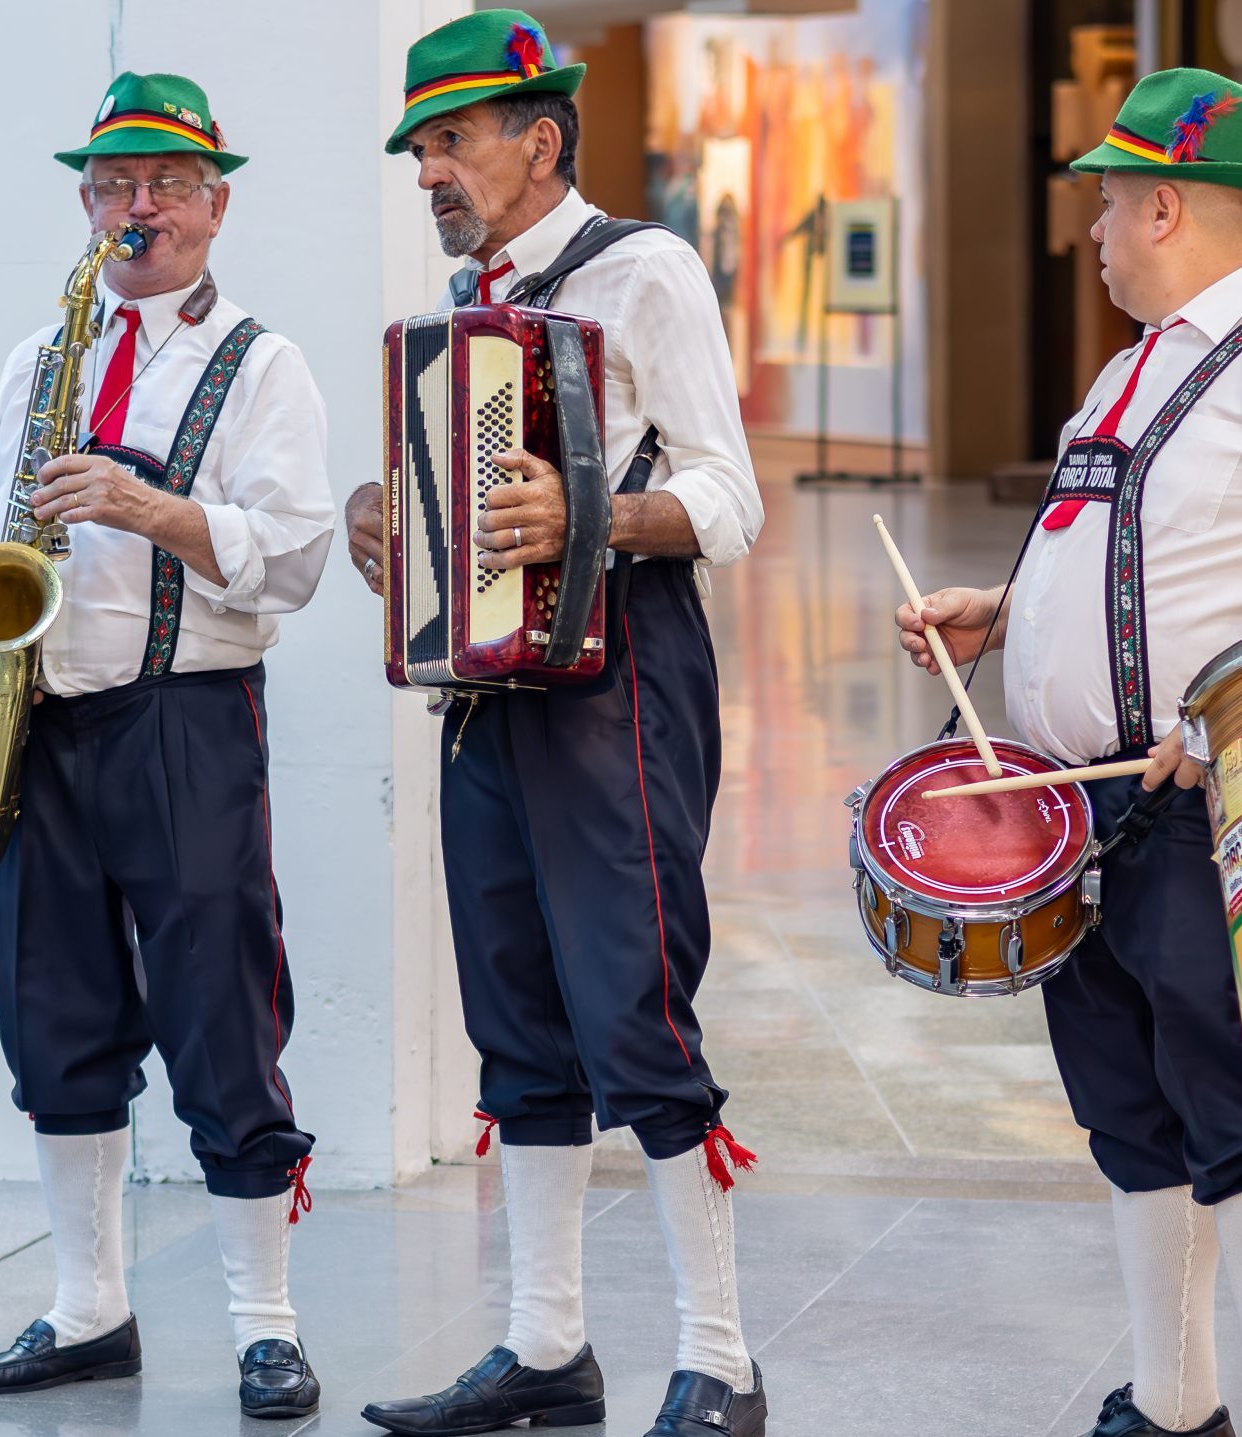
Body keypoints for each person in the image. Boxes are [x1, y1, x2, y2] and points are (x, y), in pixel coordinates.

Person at [896, 68, 1242, 1437]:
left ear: (1169, 203)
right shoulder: (1127, 373)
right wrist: (1002, 611)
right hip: (1087, 821)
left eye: (1107, 201)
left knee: (1238, 1125)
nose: (1091, 229)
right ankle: (1171, 1399)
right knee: (1128, 1117)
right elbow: (1148, 556)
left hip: (1219, 815)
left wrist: (1222, 714)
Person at [343, 12, 767, 1436]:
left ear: (541, 139)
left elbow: (728, 499)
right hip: (487, 702)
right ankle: (546, 1349)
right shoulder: (465, 305)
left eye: (451, 140)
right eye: (421, 146)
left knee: (634, 1010)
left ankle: (721, 1358)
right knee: (517, 1023)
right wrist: (384, 525)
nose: (429, 172)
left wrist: (587, 512)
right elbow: (454, 521)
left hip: (625, 678)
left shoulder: (644, 272)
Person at [0, 72, 334, 1420]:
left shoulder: (264, 362)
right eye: (112, 184)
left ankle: (264, 1324)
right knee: (55, 1021)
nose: (137, 205)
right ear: (86, 203)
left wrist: (154, 510)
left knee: (223, 1017)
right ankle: (87, 1306)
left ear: (216, 203)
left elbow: (294, 563)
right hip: (35, 723)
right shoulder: (37, 356)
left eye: (164, 181)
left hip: (185, 719)